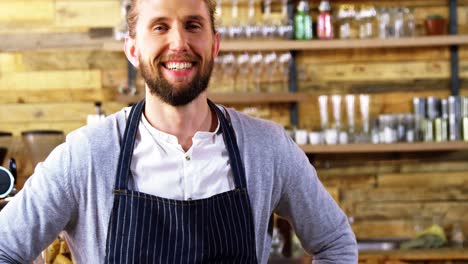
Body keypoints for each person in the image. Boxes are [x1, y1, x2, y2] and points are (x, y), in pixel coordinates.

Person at [0, 0, 357, 263]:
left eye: (193, 25)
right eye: (160, 26)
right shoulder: (87, 155)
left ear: (214, 44)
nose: (179, 43)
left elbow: (335, 242)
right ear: (133, 49)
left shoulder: (266, 147)